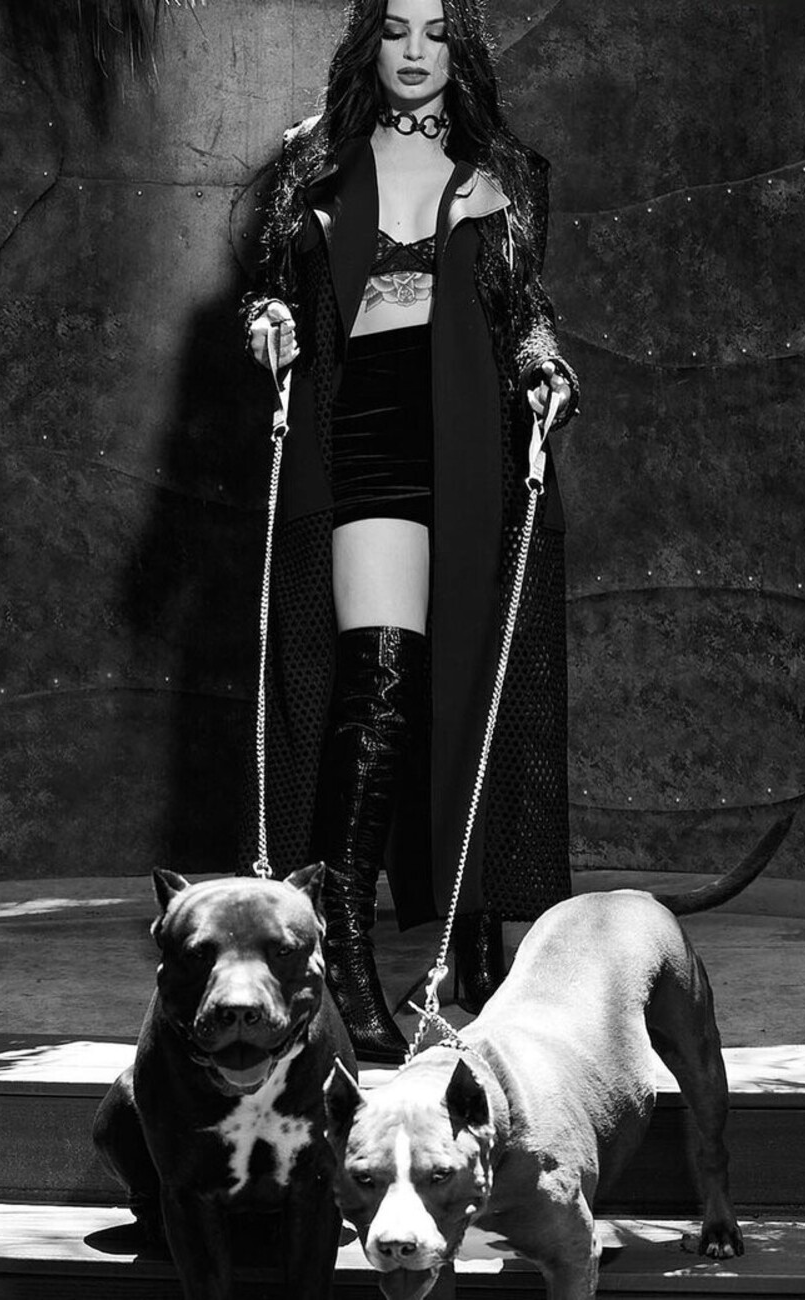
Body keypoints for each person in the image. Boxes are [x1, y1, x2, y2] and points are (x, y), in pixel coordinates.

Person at [242, 0, 579, 1063]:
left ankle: (476, 934)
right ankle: (338, 936)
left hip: (471, 439)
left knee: (468, 677)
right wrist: (267, 322)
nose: (417, 50)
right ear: (370, 43)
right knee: (378, 675)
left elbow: (524, 309)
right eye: (397, 30)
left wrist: (546, 366)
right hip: (362, 433)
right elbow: (268, 290)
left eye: (435, 30)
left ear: (458, 46)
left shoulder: (503, 174)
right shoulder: (312, 164)